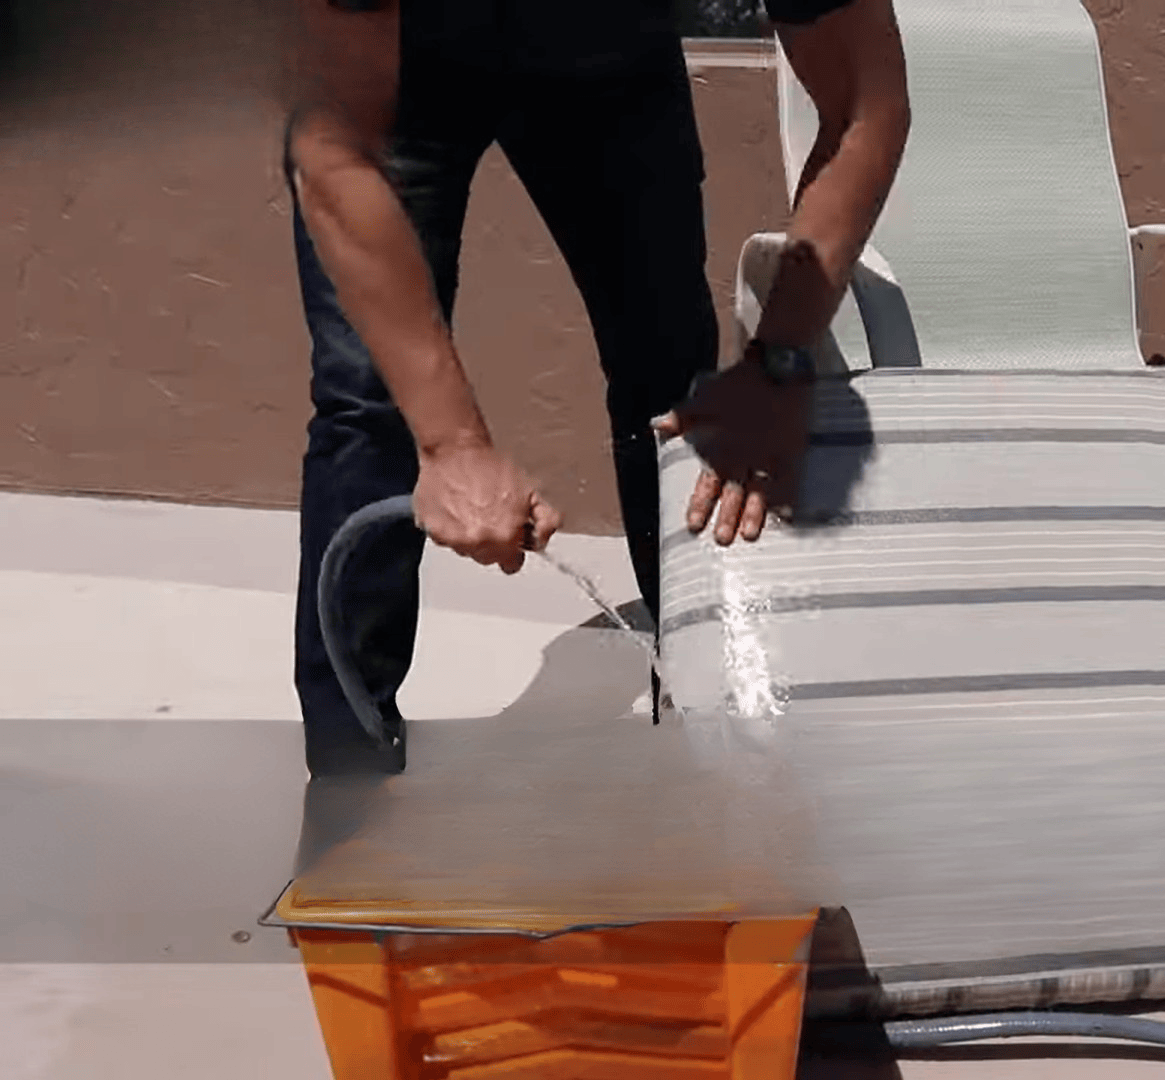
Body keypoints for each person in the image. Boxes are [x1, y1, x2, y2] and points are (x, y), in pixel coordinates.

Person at [283, 0, 910, 776]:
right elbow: (333, 151)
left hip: (609, 58)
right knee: (367, 402)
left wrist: (777, 361)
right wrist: (452, 441)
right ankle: (352, 776)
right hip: (397, 68)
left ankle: (709, 726)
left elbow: (865, 104)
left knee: (678, 388)